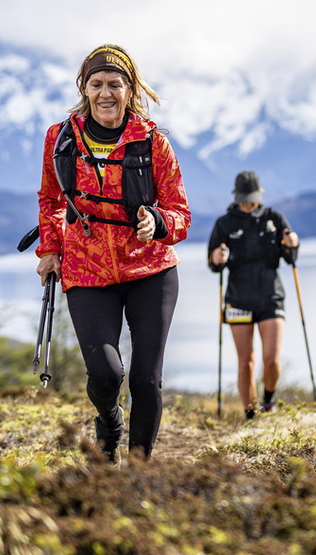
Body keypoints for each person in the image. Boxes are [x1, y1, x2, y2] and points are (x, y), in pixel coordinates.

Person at [35, 44, 190, 461]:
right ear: (84, 89)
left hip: (151, 271)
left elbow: (180, 213)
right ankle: (108, 418)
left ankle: (137, 474)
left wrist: (158, 221)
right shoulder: (60, 139)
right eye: (97, 84)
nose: (106, 93)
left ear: (129, 90)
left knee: (146, 380)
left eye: (115, 84)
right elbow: (51, 200)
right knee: (106, 374)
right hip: (87, 271)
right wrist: (49, 250)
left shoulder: (154, 142)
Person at [207, 171, 299, 419]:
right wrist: (217, 258)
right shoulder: (224, 223)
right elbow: (213, 263)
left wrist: (293, 244)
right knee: (246, 362)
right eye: (244, 200)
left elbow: (290, 258)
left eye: (252, 199)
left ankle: (268, 401)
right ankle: (250, 415)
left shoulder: (274, 219)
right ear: (236, 197)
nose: (248, 204)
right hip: (238, 300)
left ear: (260, 195)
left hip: (270, 297)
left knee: (271, 359)